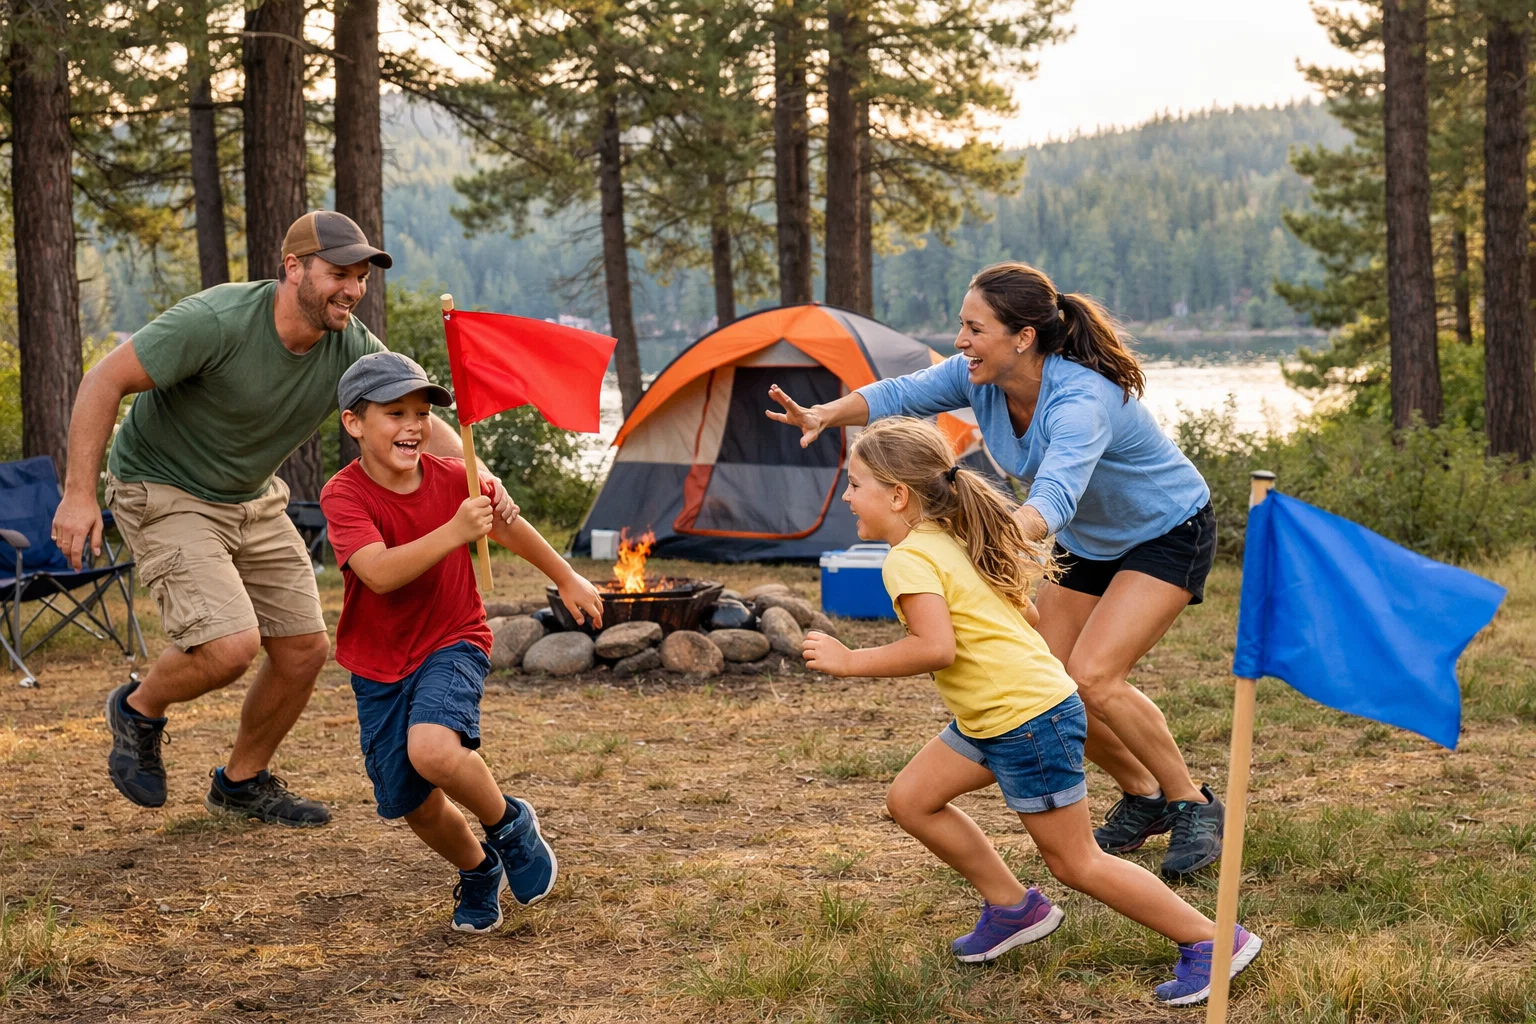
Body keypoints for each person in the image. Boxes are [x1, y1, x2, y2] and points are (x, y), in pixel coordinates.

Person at [51, 211, 518, 823]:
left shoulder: (348, 344)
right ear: (293, 267)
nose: (351, 289)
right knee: (230, 646)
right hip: (163, 487)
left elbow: (412, 414)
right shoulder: (216, 321)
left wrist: (481, 479)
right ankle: (139, 708)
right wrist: (78, 494)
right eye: (338, 274)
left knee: (303, 649)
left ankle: (240, 783)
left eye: (360, 277)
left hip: (250, 495)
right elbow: (102, 380)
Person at [769, 262, 1223, 878]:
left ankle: (1190, 802)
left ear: (1023, 337)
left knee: (1093, 674)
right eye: (962, 326)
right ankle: (1142, 793)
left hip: (1166, 529)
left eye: (974, 328)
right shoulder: (981, 379)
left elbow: (1056, 497)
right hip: (1091, 539)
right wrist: (825, 413)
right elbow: (899, 394)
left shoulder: (1080, 398)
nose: (961, 341)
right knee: (1048, 678)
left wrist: (985, 537)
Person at [801, 417, 1260, 1005]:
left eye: (855, 484)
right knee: (911, 801)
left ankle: (1213, 942)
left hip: (1026, 721)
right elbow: (1030, 618)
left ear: (898, 495)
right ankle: (1015, 908)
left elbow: (935, 648)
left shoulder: (911, 560)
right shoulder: (952, 540)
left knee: (1076, 862)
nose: (846, 496)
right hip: (994, 717)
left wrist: (849, 660)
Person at [321, 352, 603, 932]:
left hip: (453, 639)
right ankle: (479, 869)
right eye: (394, 412)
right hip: (378, 664)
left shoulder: (457, 477)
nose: (413, 426)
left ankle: (510, 825)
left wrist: (565, 575)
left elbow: (506, 525)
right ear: (354, 423)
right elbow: (377, 572)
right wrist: (454, 530)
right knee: (412, 803)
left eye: (421, 413)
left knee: (434, 750)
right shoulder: (343, 495)